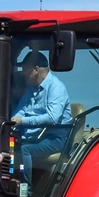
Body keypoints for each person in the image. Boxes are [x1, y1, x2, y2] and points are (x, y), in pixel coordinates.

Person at [10, 48, 72, 180]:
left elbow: (52, 118)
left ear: (35, 69)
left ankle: (25, 191)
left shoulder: (56, 87)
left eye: (25, 68)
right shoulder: (31, 87)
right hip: (37, 135)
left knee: (25, 149)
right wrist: (12, 120)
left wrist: (22, 121)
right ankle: (11, 179)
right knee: (7, 145)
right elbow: (22, 108)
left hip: (56, 138)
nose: (23, 73)